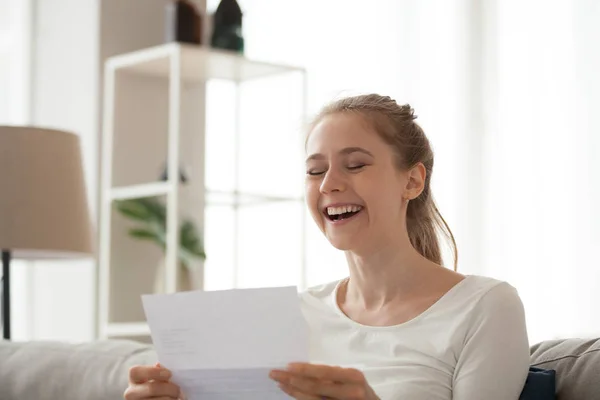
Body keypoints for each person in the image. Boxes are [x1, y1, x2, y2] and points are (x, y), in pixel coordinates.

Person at [124, 94, 530, 400]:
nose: (328, 184)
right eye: (315, 170)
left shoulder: (485, 307)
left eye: (355, 165)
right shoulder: (291, 316)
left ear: (412, 181)